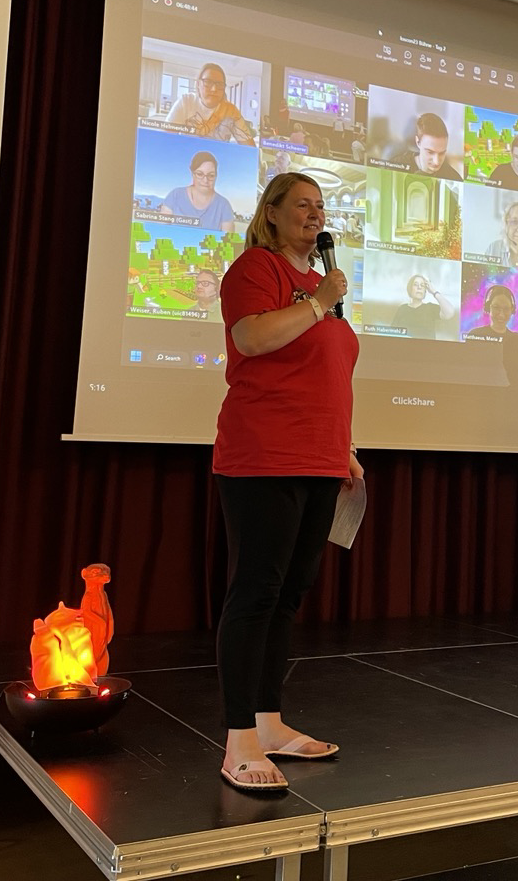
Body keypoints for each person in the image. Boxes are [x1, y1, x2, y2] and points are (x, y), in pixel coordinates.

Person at [212, 172, 361, 793]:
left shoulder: (319, 289)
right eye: (302, 204)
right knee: (257, 592)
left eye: (320, 206)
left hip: (319, 458)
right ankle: (238, 739)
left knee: (288, 595)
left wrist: (344, 449)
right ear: (271, 213)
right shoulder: (257, 268)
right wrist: (319, 302)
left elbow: (326, 374)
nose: (315, 214)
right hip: (264, 455)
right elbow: (251, 337)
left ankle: (268, 723)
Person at [169, 64, 255, 146]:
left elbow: (250, 147)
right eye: (207, 82)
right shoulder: (186, 101)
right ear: (198, 84)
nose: (214, 89)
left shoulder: (231, 111)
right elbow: (166, 139)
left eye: (219, 84)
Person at [466, 284, 518, 385]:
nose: (501, 314)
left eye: (506, 309)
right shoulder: (474, 335)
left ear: (512, 310)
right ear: (488, 308)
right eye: (496, 308)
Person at [160, 151, 236, 231]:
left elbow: (228, 238)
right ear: (192, 174)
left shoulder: (224, 205)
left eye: (211, 175)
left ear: (216, 176)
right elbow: (161, 230)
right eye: (200, 174)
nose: (205, 180)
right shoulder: (175, 195)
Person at [398, 112, 463, 180]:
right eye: (430, 152)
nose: (436, 162)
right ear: (418, 142)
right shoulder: (397, 166)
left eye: (441, 153)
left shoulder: (454, 178)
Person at [391, 273, 456, 339]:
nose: (419, 287)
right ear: (410, 288)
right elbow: (392, 333)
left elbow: (450, 313)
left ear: (425, 291)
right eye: (416, 284)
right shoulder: (402, 309)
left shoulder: (430, 308)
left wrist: (434, 291)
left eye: (422, 285)